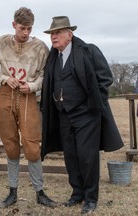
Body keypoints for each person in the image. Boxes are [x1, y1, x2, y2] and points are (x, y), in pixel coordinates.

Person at [41, 16, 124, 214]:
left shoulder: (88, 50)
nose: (54, 37)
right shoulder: (53, 57)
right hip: (63, 115)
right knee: (71, 156)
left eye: (58, 33)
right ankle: (77, 194)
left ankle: (90, 198)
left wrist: (94, 104)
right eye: (52, 33)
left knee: (88, 157)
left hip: (87, 115)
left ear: (70, 34)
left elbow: (105, 78)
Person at [0, 7, 57, 208]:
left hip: (28, 97)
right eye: (22, 28)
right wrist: (5, 78)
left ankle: (40, 192)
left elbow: (44, 74)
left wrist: (32, 86)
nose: (25, 32)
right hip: (6, 94)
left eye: (29, 28)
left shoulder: (40, 47)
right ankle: (12, 191)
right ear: (14, 25)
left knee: (32, 145)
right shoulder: (0, 43)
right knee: (10, 144)